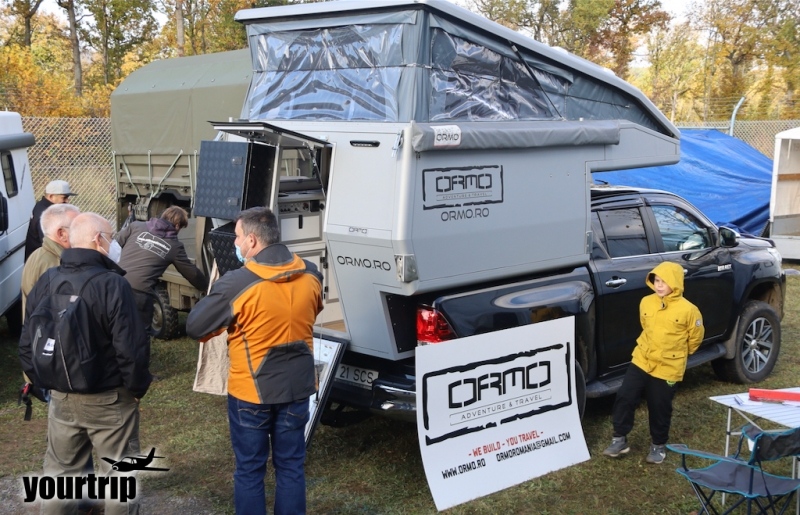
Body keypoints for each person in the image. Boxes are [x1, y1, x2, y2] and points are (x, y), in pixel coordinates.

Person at [186, 207, 323, 515]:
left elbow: (196, 327)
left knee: (250, 469)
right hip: (298, 387)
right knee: (291, 466)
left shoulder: (237, 283)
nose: (235, 243)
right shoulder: (312, 273)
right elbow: (314, 310)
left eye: (236, 237)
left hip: (252, 392)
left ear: (251, 240)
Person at [19, 212, 152, 515]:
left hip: (61, 398)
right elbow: (131, 349)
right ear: (98, 239)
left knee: (60, 475)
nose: (113, 242)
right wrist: (136, 389)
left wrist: (43, 382)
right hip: (108, 398)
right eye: (111, 236)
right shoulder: (112, 284)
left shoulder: (48, 279)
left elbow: (27, 340)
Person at [603, 261, 704, 464]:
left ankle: (658, 445)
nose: (659, 285)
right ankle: (619, 439)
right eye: (656, 280)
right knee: (625, 395)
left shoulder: (689, 310)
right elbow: (645, 326)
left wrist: (677, 354)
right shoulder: (646, 302)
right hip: (642, 359)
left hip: (668, 366)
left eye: (664, 281)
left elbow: (695, 338)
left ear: (675, 283)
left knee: (659, 406)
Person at [114, 206, 208, 333]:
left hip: (116, 283)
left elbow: (113, 245)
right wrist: (207, 286)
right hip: (139, 293)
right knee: (139, 333)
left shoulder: (136, 226)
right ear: (177, 226)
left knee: (114, 327)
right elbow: (192, 274)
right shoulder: (174, 246)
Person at [20, 203, 80, 316]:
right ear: (62, 234)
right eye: (78, 227)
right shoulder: (54, 265)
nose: (83, 232)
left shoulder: (42, 254)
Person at [25, 179, 77, 260]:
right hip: (43, 261)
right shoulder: (45, 214)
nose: (67, 201)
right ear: (51, 196)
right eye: (64, 198)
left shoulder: (41, 206)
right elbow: (50, 243)